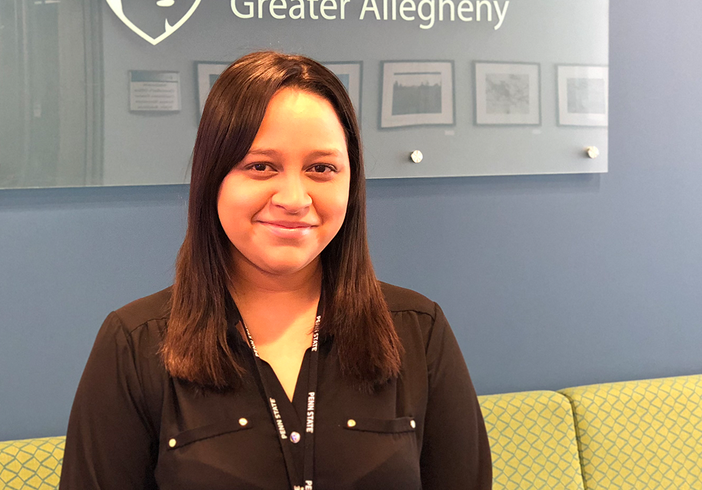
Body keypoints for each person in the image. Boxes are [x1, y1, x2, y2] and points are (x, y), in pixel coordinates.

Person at [60, 51, 492, 490]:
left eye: (321, 168)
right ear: (214, 178)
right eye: (261, 166)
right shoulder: (134, 345)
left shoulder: (418, 332)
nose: (294, 198)